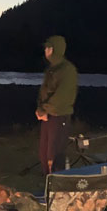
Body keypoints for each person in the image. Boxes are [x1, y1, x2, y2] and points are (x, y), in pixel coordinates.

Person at [35, 35, 78, 175]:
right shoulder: (52, 69)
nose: (46, 51)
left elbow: (62, 96)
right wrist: (40, 109)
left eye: (48, 48)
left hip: (59, 116)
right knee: (44, 152)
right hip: (47, 116)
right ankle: (48, 181)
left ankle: (58, 183)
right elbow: (44, 91)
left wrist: (44, 109)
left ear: (55, 49)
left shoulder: (67, 70)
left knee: (55, 153)